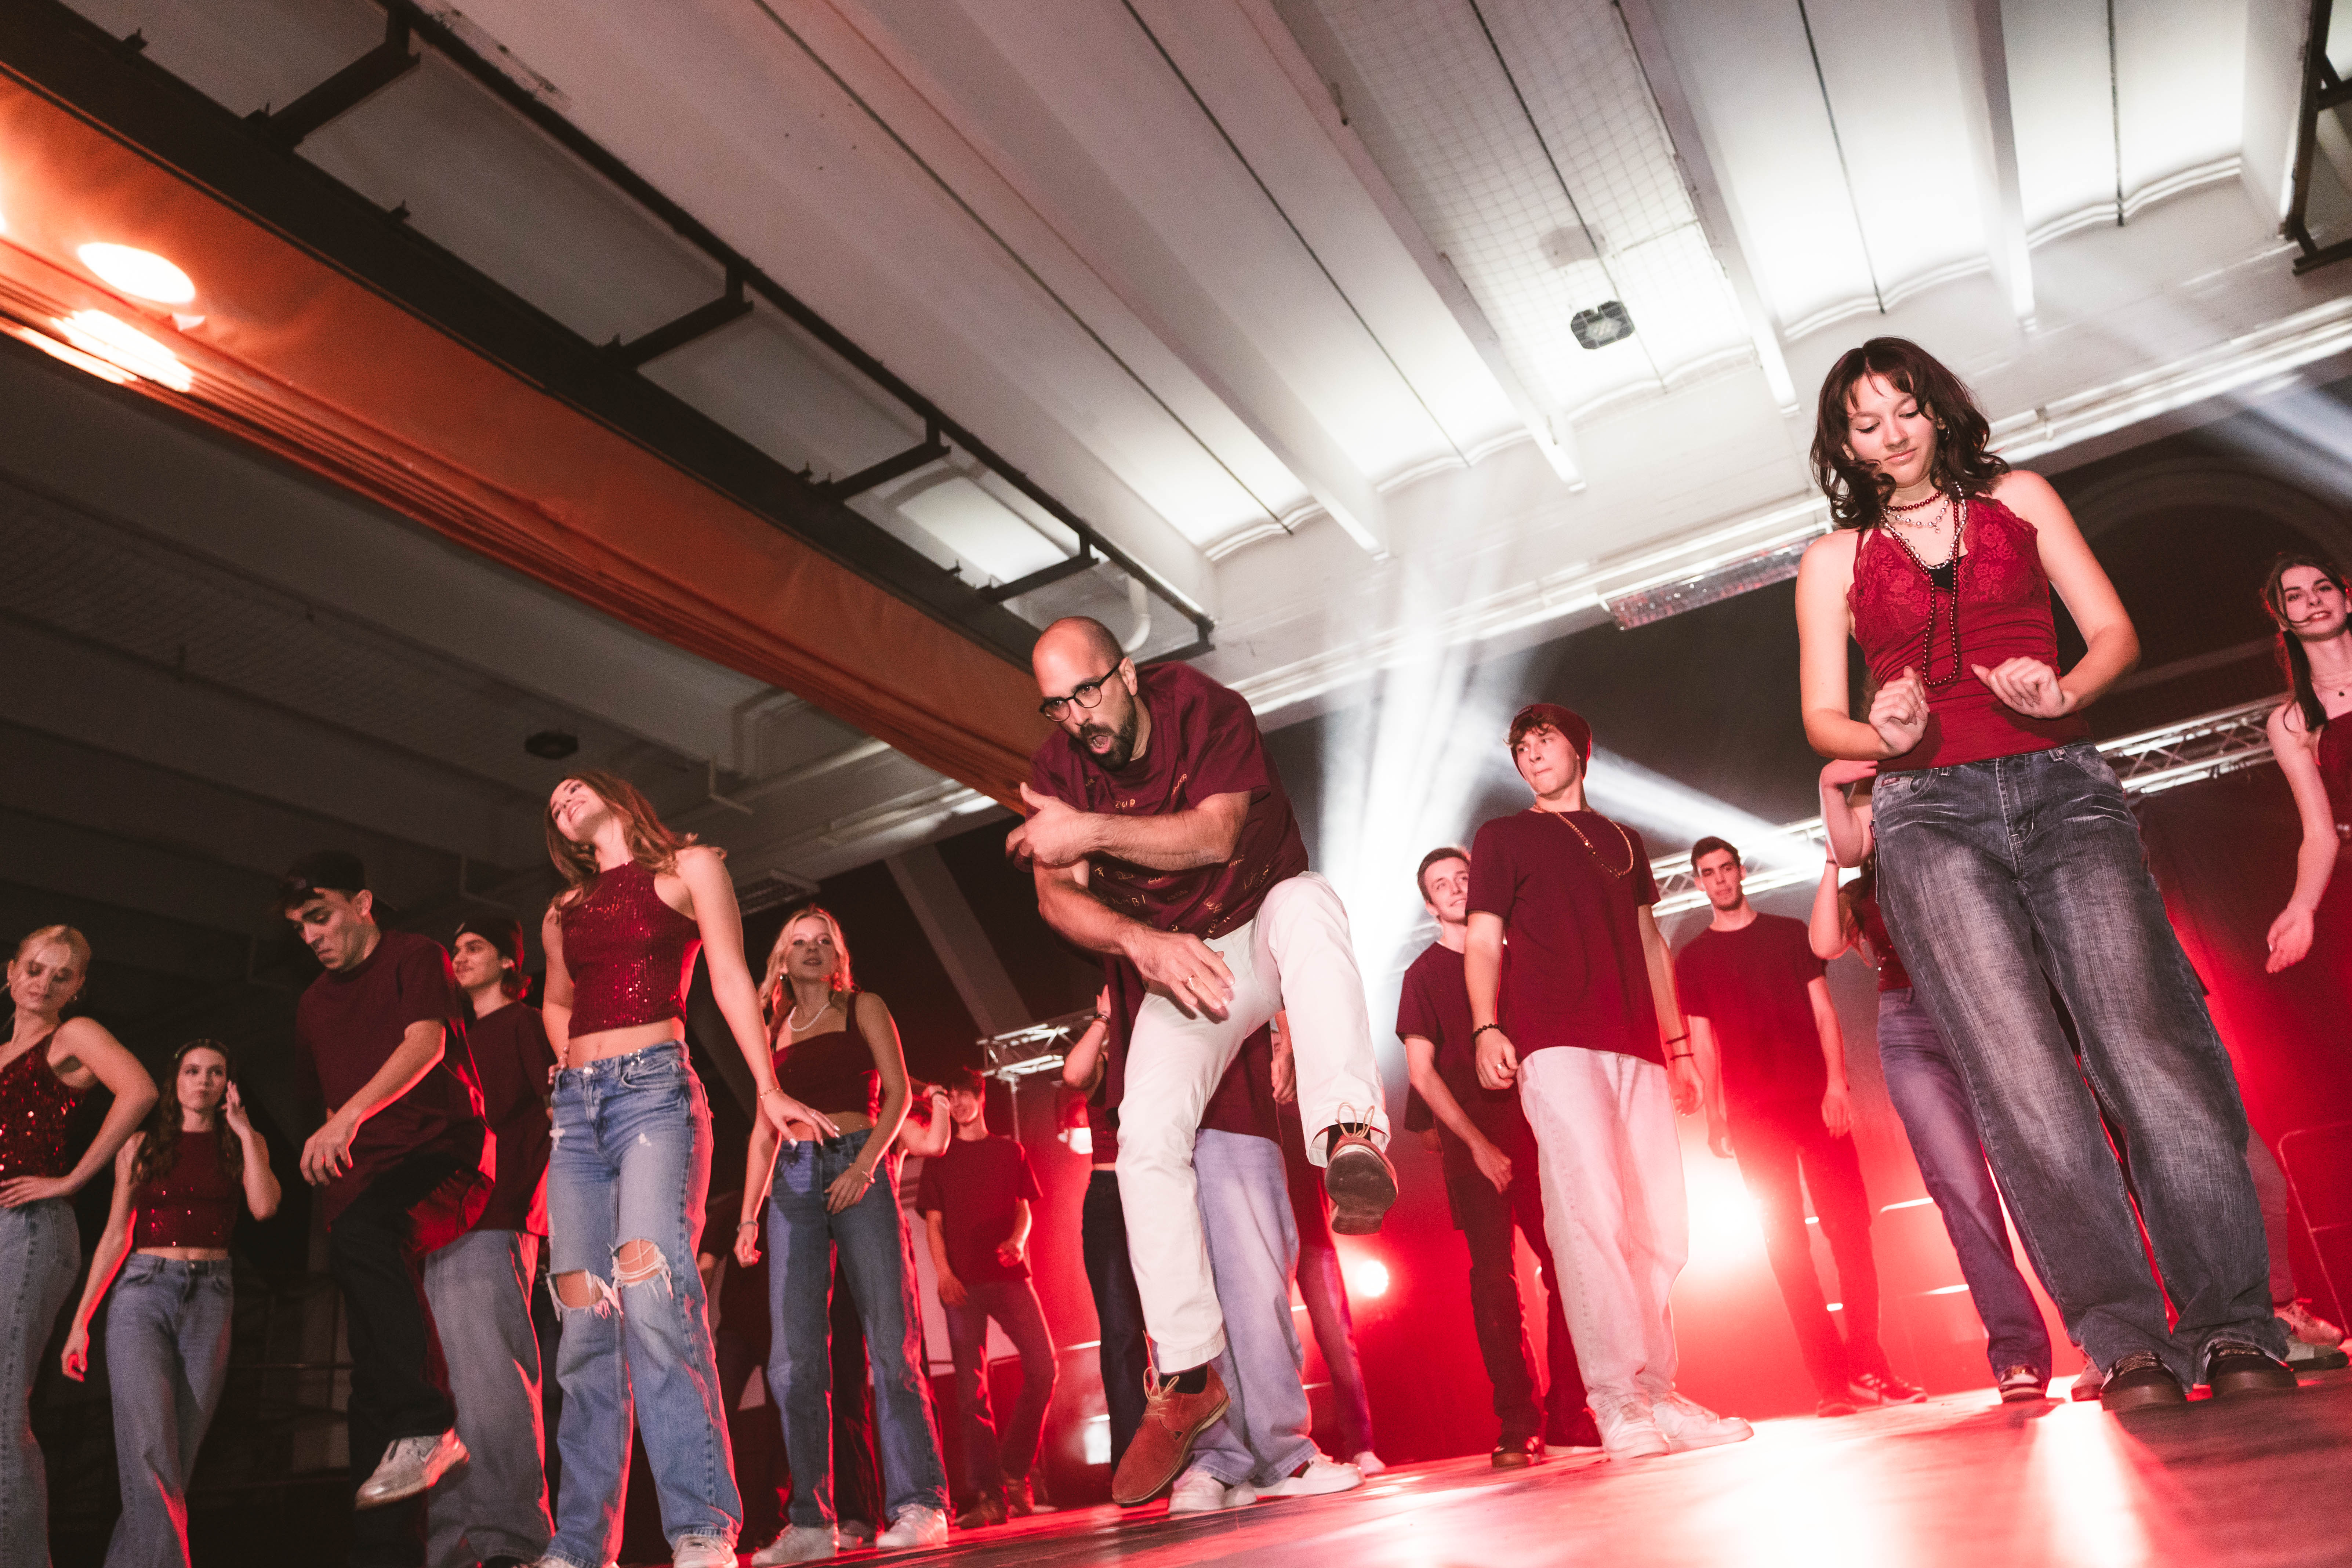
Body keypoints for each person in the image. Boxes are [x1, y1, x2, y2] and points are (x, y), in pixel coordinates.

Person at [1792, 336, 2293, 1410]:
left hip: (2061, 784)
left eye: (1906, 409)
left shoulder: (2018, 499)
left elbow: (2112, 633)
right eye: (1867, 423)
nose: (1892, 434)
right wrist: (1882, 732)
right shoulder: (1832, 560)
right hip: (1926, 816)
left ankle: (2233, 1323)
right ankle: (2125, 1341)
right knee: (2021, 1080)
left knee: (2148, 1047)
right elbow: (1820, 718)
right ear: (1846, 445)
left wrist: (2064, 689)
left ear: (1939, 409)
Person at [1012, 616, 1394, 1504]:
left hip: (1265, 923)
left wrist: (1087, 833)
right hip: (1188, 962)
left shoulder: (1202, 707)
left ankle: (1349, 1135)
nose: (1076, 718)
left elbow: (1216, 836)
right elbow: (1055, 899)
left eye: (1088, 693)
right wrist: (1139, 941)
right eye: (1056, 705)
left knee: (1312, 904)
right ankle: (1188, 1377)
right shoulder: (1058, 768)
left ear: (1128, 673)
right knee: (1145, 1135)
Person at [537, 774, 840, 1568]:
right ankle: (579, 1545)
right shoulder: (562, 911)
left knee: (653, 1298)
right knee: (582, 1325)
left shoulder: (688, 867)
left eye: (573, 786)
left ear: (614, 794)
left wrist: (767, 1088)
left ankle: (702, 1527)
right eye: (553, 805)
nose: (562, 800)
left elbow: (731, 976)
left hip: (653, 1099)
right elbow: (558, 1001)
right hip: (575, 1115)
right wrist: (564, 1064)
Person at [1466, 705, 1752, 1461]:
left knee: (1660, 1224)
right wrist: (1485, 1025)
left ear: (1581, 750)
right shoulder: (1503, 837)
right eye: (1520, 747)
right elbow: (1482, 939)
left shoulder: (1623, 840)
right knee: (1587, 1215)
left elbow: (1650, 942)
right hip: (1555, 1041)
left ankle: (1657, 1390)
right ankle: (1616, 1400)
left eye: (1545, 740)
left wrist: (1679, 1046)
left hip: (1638, 1045)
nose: (1531, 754)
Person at [1808, 766, 2053, 1402]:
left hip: (1983, 1005)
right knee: (1960, 1187)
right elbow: (1824, 942)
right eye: (1864, 814)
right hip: (1907, 1022)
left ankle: (2104, 1335)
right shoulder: (1861, 888)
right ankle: (2016, 1353)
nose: (1873, 821)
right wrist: (1834, 856)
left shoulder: (1949, 843)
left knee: (2034, 1170)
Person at [281, 855, 493, 1568]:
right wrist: (333, 1133)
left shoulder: (414, 955)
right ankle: (387, 1556)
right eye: (299, 927)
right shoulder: (313, 1004)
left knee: (369, 1236)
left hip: (443, 1153)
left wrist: (350, 1117)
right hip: (364, 1185)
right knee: (369, 1371)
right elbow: (320, 1101)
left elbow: (425, 1042)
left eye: (321, 917)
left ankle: (429, 1423)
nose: (312, 936)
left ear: (364, 903)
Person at [1677, 837, 1923, 1416]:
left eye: (1726, 868)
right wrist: (1715, 1116)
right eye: (1708, 873)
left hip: (1815, 1101)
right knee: (1786, 1248)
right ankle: (1831, 1383)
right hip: (1752, 1115)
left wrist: (1837, 1084)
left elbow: (1823, 1013)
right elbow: (1703, 1043)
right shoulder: (1693, 958)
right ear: (1699, 882)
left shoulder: (1790, 935)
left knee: (1852, 1230)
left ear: (1741, 872)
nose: (1719, 880)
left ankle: (1870, 1366)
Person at [738, 907, 947, 1563]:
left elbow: (900, 1095)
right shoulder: (771, 1030)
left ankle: (921, 1504)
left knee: (891, 1344)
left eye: (823, 940)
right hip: (793, 1180)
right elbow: (763, 1130)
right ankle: (810, 1521)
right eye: (798, 941)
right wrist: (747, 1216)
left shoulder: (863, 1007)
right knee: (792, 1360)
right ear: (782, 957)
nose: (811, 948)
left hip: (861, 1165)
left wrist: (865, 1167)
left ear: (838, 956)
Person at [1398, 847, 1595, 1465]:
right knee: (1493, 1283)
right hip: (1472, 1152)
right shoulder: (1421, 975)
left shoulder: (1517, 958)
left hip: (1539, 1139)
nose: (1456, 888)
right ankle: (1517, 1420)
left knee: (1571, 1270)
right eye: (1441, 885)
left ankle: (1570, 1411)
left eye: (1463, 878)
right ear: (1429, 904)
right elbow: (1421, 1075)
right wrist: (1478, 1145)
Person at [60, 1040, 272, 1568]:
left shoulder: (243, 1143)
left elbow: (265, 1207)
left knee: (174, 1466)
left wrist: (246, 1132)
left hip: (212, 1298)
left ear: (228, 1085)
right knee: (151, 1452)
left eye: (215, 1073)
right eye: (192, 1071)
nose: (203, 1081)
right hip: (143, 1293)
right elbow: (116, 1235)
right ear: (175, 1080)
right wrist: (81, 1320)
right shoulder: (141, 1145)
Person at [0, 926, 156, 1568]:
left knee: (2, 1411)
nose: (44, 982)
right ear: (11, 971)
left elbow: (140, 1089)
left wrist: (71, 1180)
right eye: (35, 968)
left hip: (31, 1228)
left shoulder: (72, 1037)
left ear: (77, 988)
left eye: (61, 975)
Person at [1168, 1026, 1364, 1515]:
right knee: (1185, 1301)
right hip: (1163, 1118)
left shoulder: (1277, 1073)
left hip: (1239, 1115)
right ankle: (1216, 1460)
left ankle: (1283, 1457)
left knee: (1260, 1301)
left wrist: (1288, 1039)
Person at [426, 917, 557, 1568]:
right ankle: (453, 1544)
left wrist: (545, 1208)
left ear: (510, 961)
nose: (459, 957)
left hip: (498, 1214)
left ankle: (512, 1539)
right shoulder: (449, 1041)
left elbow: (557, 1111)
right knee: (448, 1389)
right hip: (440, 1224)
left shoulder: (524, 1024)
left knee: (494, 1379)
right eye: (455, 949)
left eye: (474, 947)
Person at [917, 1069, 1059, 1528]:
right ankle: (990, 1497)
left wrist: (1018, 1240)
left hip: (1008, 1274)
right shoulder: (939, 1157)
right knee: (970, 1393)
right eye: (951, 1097)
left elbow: (1024, 1208)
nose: (958, 1104)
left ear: (981, 1098)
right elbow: (933, 1223)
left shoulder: (1009, 1150)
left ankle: (1014, 1469)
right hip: (961, 1284)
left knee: (1044, 1368)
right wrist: (943, 1274)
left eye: (965, 1095)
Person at [1059, 994, 1148, 1475]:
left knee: (1175, 1326)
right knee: (1120, 1329)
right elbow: (1073, 1075)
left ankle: (1195, 1453)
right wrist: (1103, 1018)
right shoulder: (1101, 1065)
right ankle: (1135, 1462)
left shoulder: (1157, 1051)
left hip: (1157, 1189)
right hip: (1109, 1194)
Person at [1276, 1097, 1384, 1476]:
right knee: (1271, 1347)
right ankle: (1286, 1451)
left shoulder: (1305, 1105)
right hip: (1268, 1240)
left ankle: (1361, 1446)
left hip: (1313, 1235)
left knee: (1339, 1342)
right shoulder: (1248, 1107)